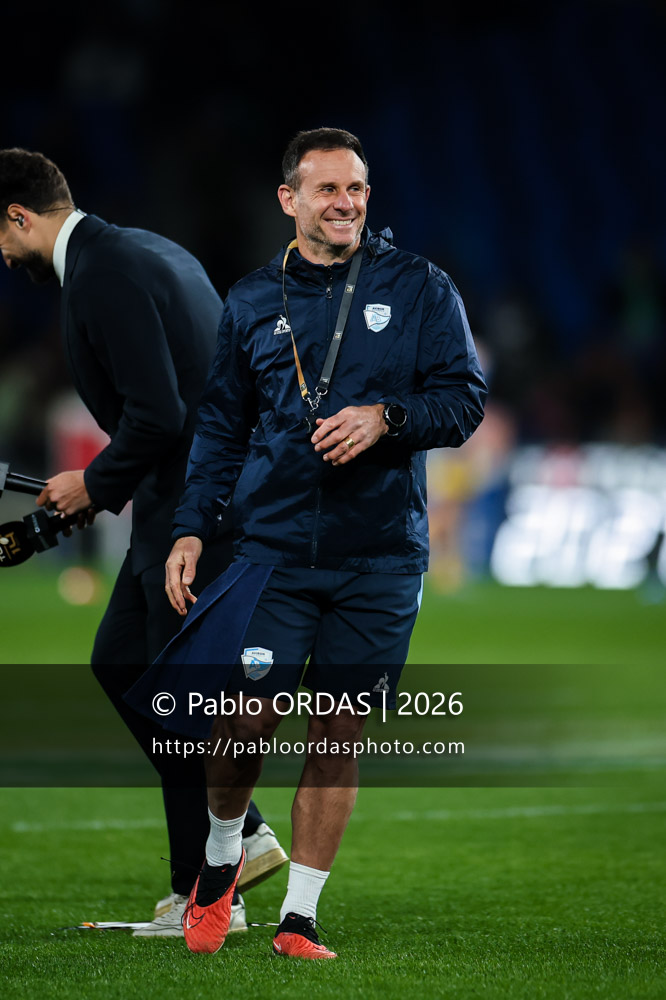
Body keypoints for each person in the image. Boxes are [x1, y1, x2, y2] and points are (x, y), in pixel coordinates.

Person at [164, 127, 487, 959]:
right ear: (290, 199)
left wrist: (389, 418)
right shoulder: (249, 301)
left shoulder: (420, 288)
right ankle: (221, 859)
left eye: (357, 189)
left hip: (380, 556)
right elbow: (219, 428)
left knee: (338, 735)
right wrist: (191, 526)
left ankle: (298, 918)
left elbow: (464, 400)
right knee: (243, 726)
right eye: (328, 189)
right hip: (271, 551)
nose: (346, 203)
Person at [0, 147, 287, 937]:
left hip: (197, 512)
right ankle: (243, 830)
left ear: (19, 217)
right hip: (189, 499)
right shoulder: (146, 249)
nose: (2, 255)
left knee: (177, 699)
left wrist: (92, 485)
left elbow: (159, 413)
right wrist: (87, 500)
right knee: (121, 661)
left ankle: (206, 891)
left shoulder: (103, 274)